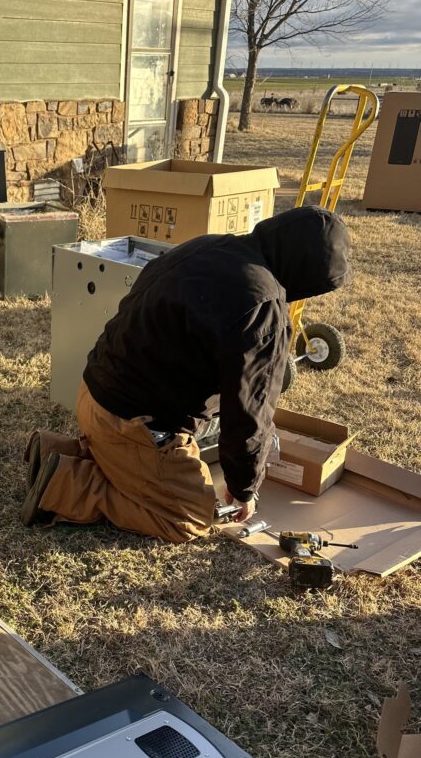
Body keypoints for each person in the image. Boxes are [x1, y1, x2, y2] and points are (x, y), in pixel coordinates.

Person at [21, 205, 350, 542]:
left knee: (148, 463)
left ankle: (55, 452)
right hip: (132, 424)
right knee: (190, 515)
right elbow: (250, 411)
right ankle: (67, 485)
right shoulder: (262, 304)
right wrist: (243, 489)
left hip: (93, 393)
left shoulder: (208, 246)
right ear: (307, 275)